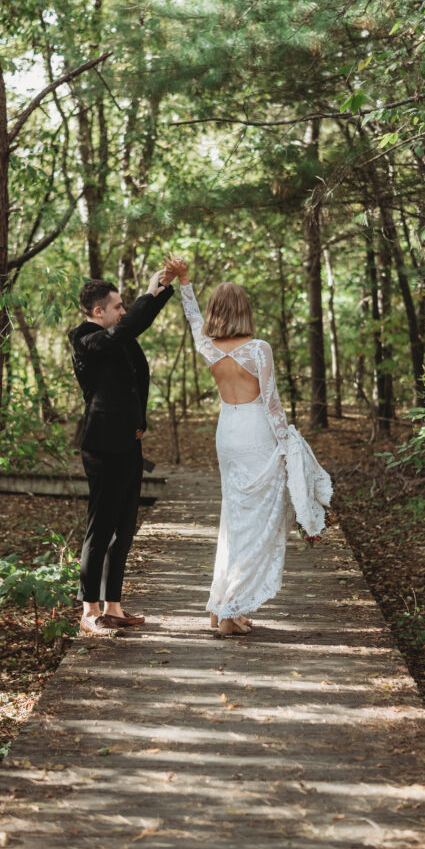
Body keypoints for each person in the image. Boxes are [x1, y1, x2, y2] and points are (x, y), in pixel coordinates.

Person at [165, 256, 333, 638]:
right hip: (257, 432)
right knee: (258, 523)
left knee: (234, 520)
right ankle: (229, 612)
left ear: (215, 311)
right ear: (244, 311)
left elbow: (192, 317)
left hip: (228, 432)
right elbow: (272, 404)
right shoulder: (258, 349)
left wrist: (184, 281)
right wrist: (288, 446)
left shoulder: (208, 346)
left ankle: (222, 603)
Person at [68, 269, 175, 637]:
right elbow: (129, 327)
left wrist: (159, 292)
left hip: (129, 444)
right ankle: (89, 611)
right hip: (102, 448)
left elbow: (132, 359)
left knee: (124, 530)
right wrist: (150, 294)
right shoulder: (85, 338)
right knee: (99, 531)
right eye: (118, 306)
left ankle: (113, 607)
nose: (123, 311)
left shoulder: (119, 338)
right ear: (99, 312)